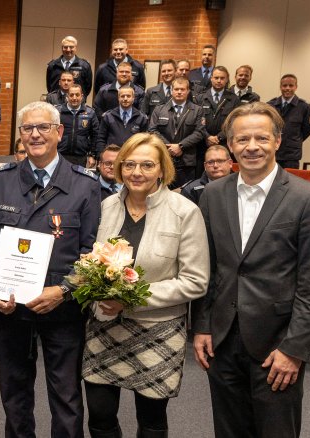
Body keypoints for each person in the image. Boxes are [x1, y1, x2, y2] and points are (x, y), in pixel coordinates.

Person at [192, 102, 310, 438]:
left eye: (261, 138)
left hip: (277, 345)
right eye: (243, 139)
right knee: (229, 430)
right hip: (222, 340)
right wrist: (202, 326)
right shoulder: (212, 195)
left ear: (278, 141)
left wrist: (294, 350)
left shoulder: (308, 199)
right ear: (230, 144)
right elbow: (208, 268)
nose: (252, 146)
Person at [0, 101, 101, 438]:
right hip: (11, 309)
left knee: (67, 395)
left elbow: (92, 252)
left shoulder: (85, 184)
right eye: (28, 128)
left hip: (63, 308)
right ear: (20, 135)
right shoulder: (0, 181)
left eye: (43, 127)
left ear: (59, 132)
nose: (35, 134)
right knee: (14, 394)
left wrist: (64, 290)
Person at [83, 133, 209, 438]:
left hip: (159, 330)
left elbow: (196, 281)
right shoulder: (105, 206)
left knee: (151, 419)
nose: (136, 172)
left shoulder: (185, 212)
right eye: (129, 164)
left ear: (162, 169)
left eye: (147, 165)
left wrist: (133, 300)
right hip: (104, 326)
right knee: (99, 415)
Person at [147, 78, 206, 188]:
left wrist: (181, 146)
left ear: (188, 91)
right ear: (171, 90)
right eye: (176, 89)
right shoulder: (159, 110)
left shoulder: (198, 110)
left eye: (182, 89)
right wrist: (169, 147)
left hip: (186, 162)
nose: (179, 92)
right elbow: (152, 131)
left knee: (185, 194)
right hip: (164, 159)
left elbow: (200, 132)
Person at [268, 74, 310, 169]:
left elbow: (308, 129)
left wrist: (294, 140)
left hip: (291, 156)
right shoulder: (270, 105)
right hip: (272, 152)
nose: (287, 88)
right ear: (280, 87)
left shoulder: (305, 107)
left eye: (291, 85)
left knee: (290, 182)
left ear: (296, 87)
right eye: (284, 86)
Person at [57, 85, 99, 166]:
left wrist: (92, 155)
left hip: (81, 156)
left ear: (82, 96)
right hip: (60, 155)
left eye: (77, 95)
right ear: (67, 96)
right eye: (71, 95)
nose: (74, 98)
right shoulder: (58, 112)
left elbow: (95, 135)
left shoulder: (90, 113)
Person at [97, 87, 148, 154]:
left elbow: (144, 141)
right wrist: (101, 155)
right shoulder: (108, 116)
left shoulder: (142, 118)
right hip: (112, 156)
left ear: (133, 98)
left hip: (132, 155)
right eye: (122, 96)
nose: (125, 99)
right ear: (118, 98)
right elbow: (101, 139)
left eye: (128, 96)